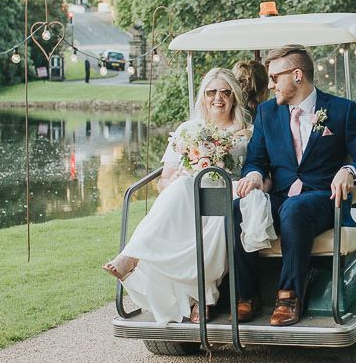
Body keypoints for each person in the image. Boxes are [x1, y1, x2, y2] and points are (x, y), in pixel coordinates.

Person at [234, 44, 356, 326]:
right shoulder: (266, 113)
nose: (271, 84)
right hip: (281, 196)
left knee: (295, 208)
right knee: (238, 208)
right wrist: (252, 174)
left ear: (297, 75)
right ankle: (245, 296)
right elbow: (255, 160)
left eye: (275, 77)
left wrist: (349, 170)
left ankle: (289, 296)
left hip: (325, 199)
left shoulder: (341, 111)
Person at [102, 68, 252, 324]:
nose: (218, 98)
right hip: (189, 197)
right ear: (203, 96)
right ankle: (132, 254)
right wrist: (179, 177)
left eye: (225, 92)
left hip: (230, 193)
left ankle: (203, 297)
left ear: (234, 97)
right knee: (183, 186)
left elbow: (255, 170)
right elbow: (164, 181)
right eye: (211, 92)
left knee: (217, 218)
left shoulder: (246, 132)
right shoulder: (189, 129)